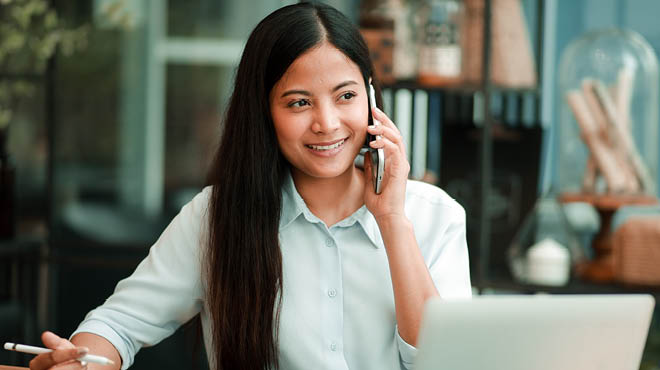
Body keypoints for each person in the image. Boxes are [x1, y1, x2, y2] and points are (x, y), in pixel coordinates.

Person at [29, 2, 470, 370]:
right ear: (264, 111)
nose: (327, 123)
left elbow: (447, 362)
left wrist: (393, 220)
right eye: (299, 102)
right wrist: (81, 360)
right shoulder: (216, 216)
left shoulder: (435, 216)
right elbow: (118, 324)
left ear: (371, 97)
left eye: (346, 95)